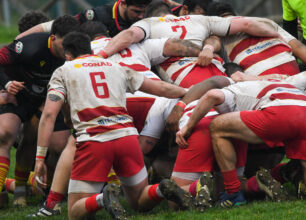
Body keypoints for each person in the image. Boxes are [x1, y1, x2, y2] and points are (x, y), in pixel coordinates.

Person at [34, 31, 193, 219]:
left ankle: (103, 199)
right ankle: (161, 189)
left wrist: (39, 159)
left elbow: (48, 115)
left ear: (67, 56)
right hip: (127, 138)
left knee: (75, 212)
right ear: (90, 49)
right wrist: (191, 92)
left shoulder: (64, 70)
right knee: (139, 201)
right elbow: (161, 88)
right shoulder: (115, 66)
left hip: (94, 141)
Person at [176, 71, 306, 207]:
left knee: (217, 126)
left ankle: (233, 192)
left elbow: (211, 94)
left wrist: (186, 128)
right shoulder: (281, 81)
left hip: (280, 113)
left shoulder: (235, 89)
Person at [98, 1, 281, 88]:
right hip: (218, 70)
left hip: (186, 80)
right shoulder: (199, 19)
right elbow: (247, 24)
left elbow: (129, 35)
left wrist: (102, 55)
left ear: (148, 15)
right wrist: (278, 33)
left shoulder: (149, 24)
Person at [0, 15, 80, 208]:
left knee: (60, 145)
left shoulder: (78, 51)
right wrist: (6, 84)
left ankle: (51, 192)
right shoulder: (29, 47)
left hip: (52, 100)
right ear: (53, 39)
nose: (68, 51)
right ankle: (18, 191)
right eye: (64, 45)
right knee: (5, 133)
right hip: (20, 95)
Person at [16, 0, 152, 39]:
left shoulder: (151, 14)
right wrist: (19, 40)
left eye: (143, 12)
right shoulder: (99, 15)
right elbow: (55, 25)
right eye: (136, 11)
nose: (140, 16)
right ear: (123, 3)